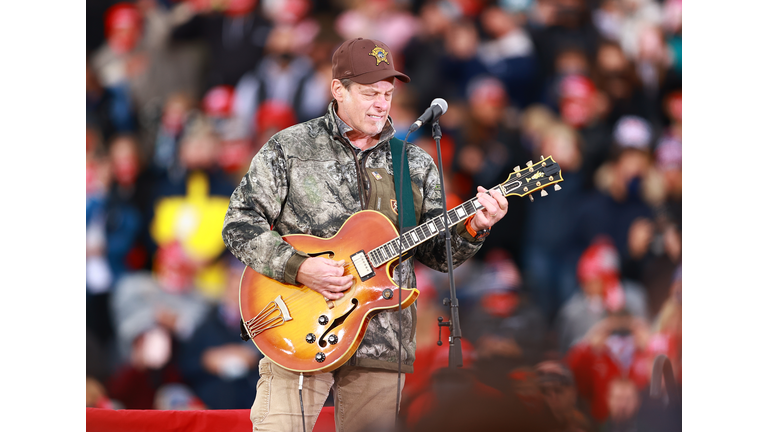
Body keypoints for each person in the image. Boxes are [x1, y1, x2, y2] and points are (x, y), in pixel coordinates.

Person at [221, 37, 509, 432]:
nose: (381, 103)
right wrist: (300, 269)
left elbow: (439, 257)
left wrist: (476, 225)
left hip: (382, 343)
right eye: (371, 92)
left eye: (388, 94)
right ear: (338, 89)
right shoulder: (290, 147)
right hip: (297, 331)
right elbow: (239, 223)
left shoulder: (414, 163)